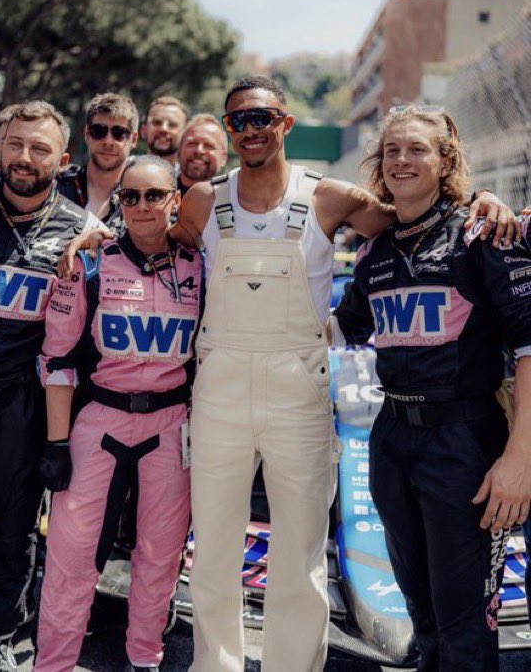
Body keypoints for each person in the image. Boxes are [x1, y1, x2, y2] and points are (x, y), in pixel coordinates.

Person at [60, 77, 515, 672]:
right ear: (229, 131)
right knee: (215, 549)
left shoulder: (331, 198)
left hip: (300, 395)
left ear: (286, 123)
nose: (250, 129)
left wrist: (485, 204)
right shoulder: (201, 200)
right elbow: (147, 241)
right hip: (220, 390)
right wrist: (98, 234)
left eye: (262, 117)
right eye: (238, 121)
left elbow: (420, 215)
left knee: (300, 556)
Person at [330, 105, 531, 671]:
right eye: (391, 150)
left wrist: (521, 457)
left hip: (465, 441)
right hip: (392, 439)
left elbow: (528, 346)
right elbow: (342, 328)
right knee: (421, 613)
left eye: (416, 149)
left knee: (465, 622)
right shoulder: (375, 253)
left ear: (446, 161)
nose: (400, 160)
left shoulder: (483, 233)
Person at [34, 155, 202, 672]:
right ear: (118, 203)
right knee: (71, 555)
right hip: (100, 419)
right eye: (131, 196)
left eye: (155, 195)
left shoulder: (202, 264)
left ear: (176, 200)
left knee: (160, 555)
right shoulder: (88, 263)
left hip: (172, 423)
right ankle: (54, 664)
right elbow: (57, 358)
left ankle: (145, 659)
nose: (143, 206)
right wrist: (56, 445)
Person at [0, 101, 98, 672]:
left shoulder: (83, 231)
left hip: (23, 402)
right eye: (15, 143)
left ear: (64, 158)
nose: (25, 157)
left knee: (15, 527)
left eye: (40, 147)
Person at [57, 92, 139, 225]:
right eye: (99, 131)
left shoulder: (142, 197)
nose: (108, 141)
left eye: (119, 133)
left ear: (134, 139)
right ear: (87, 134)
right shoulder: (57, 188)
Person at [177, 113, 228, 196]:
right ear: (179, 150)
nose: (199, 150)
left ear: (223, 158)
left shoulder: (234, 199)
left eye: (208, 145)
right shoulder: (160, 193)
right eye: (192, 143)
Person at [141, 96, 188, 170]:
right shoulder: (121, 173)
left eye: (172, 125)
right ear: (143, 130)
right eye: (157, 122)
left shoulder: (191, 180)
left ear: (184, 135)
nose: (164, 129)